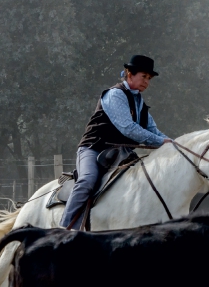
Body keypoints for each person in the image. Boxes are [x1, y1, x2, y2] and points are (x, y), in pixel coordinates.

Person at [60, 55, 172, 229]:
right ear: (129, 74)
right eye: (144, 76)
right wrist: (162, 142)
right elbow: (128, 128)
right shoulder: (115, 94)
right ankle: (64, 230)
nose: (147, 82)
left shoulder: (140, 103)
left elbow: (154, 131)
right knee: (88, 181)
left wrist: (175, 145)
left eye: (149, 78)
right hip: (93, 149)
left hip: (121, 154)